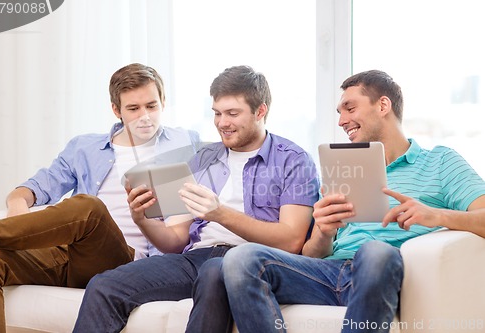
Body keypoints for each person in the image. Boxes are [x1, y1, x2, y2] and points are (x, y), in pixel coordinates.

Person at [184, 69, 485, 333]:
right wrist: (324, 231)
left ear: (383, 105)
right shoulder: (343, 168)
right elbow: (313, 254)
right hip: (331, 272)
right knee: (240, 259)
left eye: (349, 108)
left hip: (383, 269)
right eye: (339, 112)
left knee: (375, 252)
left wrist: (437, 216)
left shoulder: (439, 161)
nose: (341, 120)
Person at [71, 65, 320, 332]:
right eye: (217, 113)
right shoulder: (203, 158)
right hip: (195, 259)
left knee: (214, 272)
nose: (222, 123)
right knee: (104, 286)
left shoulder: (293, 159)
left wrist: (220, 213)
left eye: (232, 113)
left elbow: (292, 241)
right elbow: (175, 240)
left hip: (250, 263)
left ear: (261, 111)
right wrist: (142, 220)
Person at [0, 63, 200, 333]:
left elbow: (180, 233)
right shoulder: (85, 148)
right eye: (133, 109)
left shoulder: (181, 146)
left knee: (89, 209)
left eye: (152, 106)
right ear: (116, 110)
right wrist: (17, 210)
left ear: (163, 102)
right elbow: (31, 189)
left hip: (124, 261)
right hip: (67, 254)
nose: (144, 116)